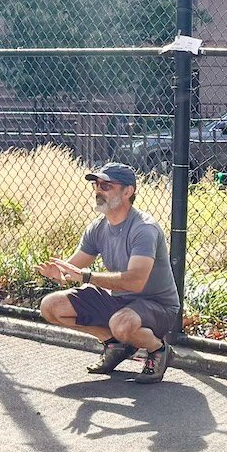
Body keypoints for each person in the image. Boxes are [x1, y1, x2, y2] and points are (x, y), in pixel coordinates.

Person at [39, 162, 182, 383]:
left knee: (121, 324)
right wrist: (59, 273)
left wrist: (86, 277)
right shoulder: (98, 228)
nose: (98, 191)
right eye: (96, 185)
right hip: (120, 301)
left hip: (157, 306)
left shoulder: (144, 229)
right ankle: (114, 344)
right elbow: (74, 267)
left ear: (128, 191)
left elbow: (135, 282)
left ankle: (159, 349)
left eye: (106, 186)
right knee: (50, 307)